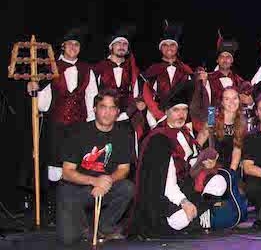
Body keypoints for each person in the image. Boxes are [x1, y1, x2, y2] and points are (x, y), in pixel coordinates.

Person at [127, 80, 228, 237]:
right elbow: (167, 182)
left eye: (184, 110)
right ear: (166, 112)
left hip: (185, 185)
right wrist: (184, 202)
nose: (181, 115)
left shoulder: (184, 132)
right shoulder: (159, 139)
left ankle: (195, 213)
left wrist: (207, 163)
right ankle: (190, 215)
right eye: (176, 110)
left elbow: (191, 160)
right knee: (180, 218)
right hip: (165, 196)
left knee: (219, 181)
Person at [27, 27, 98, 224]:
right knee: (56, 167)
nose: (74, 47)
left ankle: (77, 212)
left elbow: (92, 97)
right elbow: (43, 103)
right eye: (70, 44)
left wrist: (92, 124)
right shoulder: (52, 68)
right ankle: (54, 212)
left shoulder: (87, 70)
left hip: (81, 127)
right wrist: (33, 90)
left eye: (77, 45)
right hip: (58, 126)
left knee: (81, 167)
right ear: (63, 46)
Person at [56, 89, 134, 245]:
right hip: (75, 188)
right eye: (103, 107)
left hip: (104, 187)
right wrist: (94, 181)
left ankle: (105, 227)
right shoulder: (77, 132)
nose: (107, 112)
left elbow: (124, 169)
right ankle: (83, 226)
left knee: (128, 188)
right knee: (70, 239)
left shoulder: (124, 135)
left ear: (118, 112)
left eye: (112, 108)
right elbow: (67, 172)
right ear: (94, 109)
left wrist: (107, 181)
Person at [92, 26, 141, 120]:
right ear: (111, 47)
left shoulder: (133, 69)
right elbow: (92, 93)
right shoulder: (98, 68)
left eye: (125, 44)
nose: (122, 46)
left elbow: (136, 93)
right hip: (104, 116)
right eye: (118, 43)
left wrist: (130, 112)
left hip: (127, 116)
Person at [196, 87, 247, 171]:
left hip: (227, 165)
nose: (232, 102)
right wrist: (197, 160)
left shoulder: (242, 120)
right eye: (227, 99)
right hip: (208, 162)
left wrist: (231, 172)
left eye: (235, 98)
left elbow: (237, 150)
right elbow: (200, 140)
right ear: (222, 102)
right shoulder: (212, 114)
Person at [143, 21, 193, 104]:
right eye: (165, 45)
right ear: (160, 48)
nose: (169, 48)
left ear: (177, 48)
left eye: (172, 45)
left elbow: (192, 96)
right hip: (159, 113)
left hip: (182, 113)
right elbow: (146, 95)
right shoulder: (152, 70)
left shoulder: (186, 69)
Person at [197, 31, 244, 110]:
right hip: (214, 118)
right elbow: (204, 103)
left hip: (235, 119)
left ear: (232, 61)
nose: (225, 59)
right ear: (217, 60)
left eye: (228, 57)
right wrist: (210, 120)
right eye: (222, 57)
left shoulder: (239, 81)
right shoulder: (208, 78)